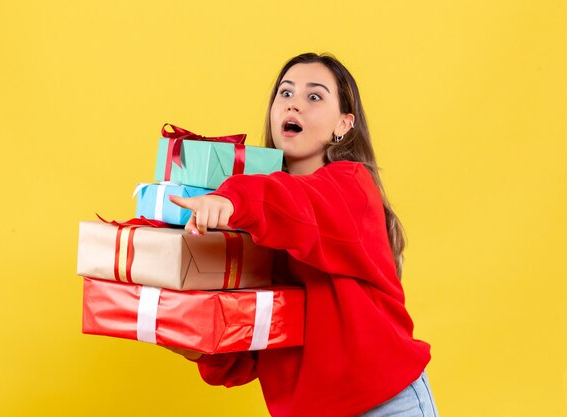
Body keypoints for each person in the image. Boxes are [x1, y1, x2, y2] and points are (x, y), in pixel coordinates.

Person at [168, 52, 438, 417]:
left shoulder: (350, 187)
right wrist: (192, 338)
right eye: (285, 93)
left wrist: (232, 199)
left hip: (386, 405)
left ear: (344, 124)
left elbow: (296, 204)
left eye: (314, 96)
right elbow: (252, 350)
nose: (294, 103)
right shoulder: (260, 225)